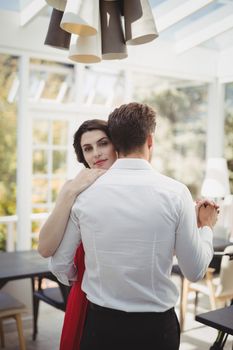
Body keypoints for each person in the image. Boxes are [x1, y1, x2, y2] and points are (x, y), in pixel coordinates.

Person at [49, 102, 218, 350]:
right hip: (155, 330)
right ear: (150, 140)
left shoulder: (85, 195)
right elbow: (194, 271)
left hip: (99, 326)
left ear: (116, 144)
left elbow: (59, 266)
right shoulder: (176, 193)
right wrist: (206, 228)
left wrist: (95, 278)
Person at [38, 119, 117, 350]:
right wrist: (72, 191)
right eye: (88, 149)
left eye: (103, 144)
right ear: (82, 156)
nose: (96, 153)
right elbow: (45, 248)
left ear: (116, 146)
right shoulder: (74, 188)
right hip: (84, 291)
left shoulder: (133, 186)